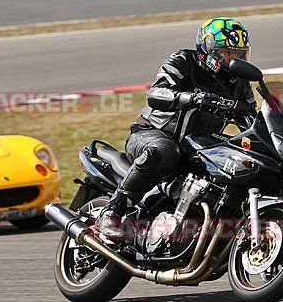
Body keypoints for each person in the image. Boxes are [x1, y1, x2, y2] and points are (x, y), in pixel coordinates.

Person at [97, 17, 257, 241]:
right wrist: (191, 98)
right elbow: (155, 93)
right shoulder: (184, 60)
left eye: (240, 54)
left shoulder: (240, 84)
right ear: (209, 49)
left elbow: (252, 121)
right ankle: (112, 212)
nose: (234, 59)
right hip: (152, 135)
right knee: (165, 151)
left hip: (196, 147)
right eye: (227, 53)